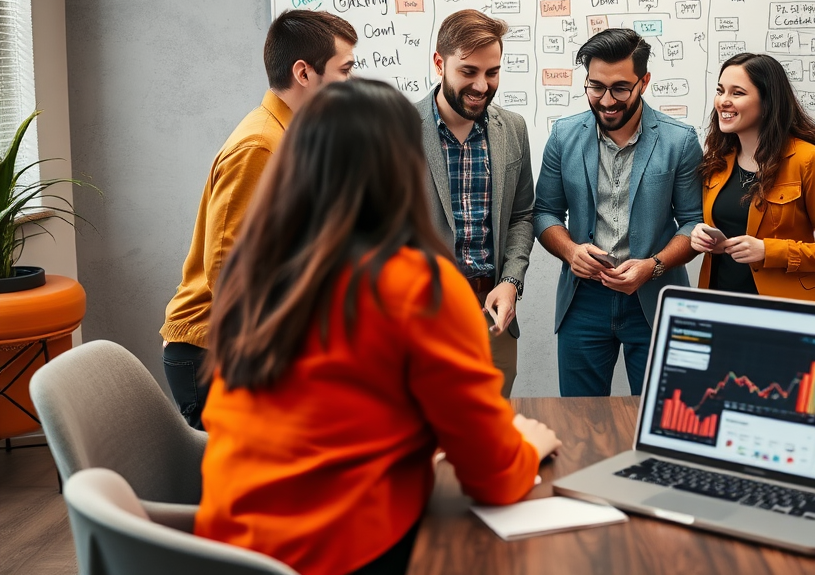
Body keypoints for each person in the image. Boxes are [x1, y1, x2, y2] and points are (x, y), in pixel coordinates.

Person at [194, 80, 560, 575]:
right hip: (339, 556)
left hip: (223, 551)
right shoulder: (420, 285)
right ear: (403, 167)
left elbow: (318, 416)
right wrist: (528, 448)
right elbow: (492, 477)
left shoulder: (256, 273)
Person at [159, 9, 358, 429]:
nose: (350, 83)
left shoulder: (289, 136)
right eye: (344, 70)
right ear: (304, 72)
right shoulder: (260, 146)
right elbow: (227, 271)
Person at [534, 27, 703, 397]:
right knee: (580, 423)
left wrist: (652, 266)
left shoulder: (680, 140)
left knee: (664, 417)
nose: (607, 101)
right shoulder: (563, 136)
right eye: (596, 87)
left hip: (656, 297)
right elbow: (544, 212)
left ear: (644, 81)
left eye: (620, 88)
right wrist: (571, 251)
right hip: (583, 301)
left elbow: (694, 222)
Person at [415, 9, 533, 397]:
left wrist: (511, 282)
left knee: (490, 438)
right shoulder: (394, 128)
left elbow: (521, 215)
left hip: (493, 314)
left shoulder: (512, 128)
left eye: (492, 72)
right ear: (439, 63)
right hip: (421, 319)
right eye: (468, 72)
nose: (482, 85)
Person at [689, 52, 815, 302]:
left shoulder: (808, 159)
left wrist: (769, 251)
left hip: (789, 310)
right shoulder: (716, 161)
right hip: (722, 305)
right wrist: (700, 235)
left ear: (767, 101)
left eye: (737, 93)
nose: (723, 101)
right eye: (720, 90)